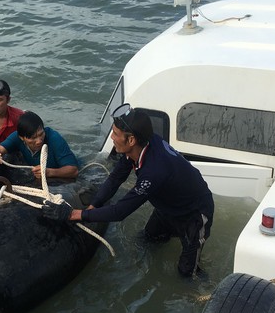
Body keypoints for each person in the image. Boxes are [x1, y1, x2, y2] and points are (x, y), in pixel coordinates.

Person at [42, 103, 214, 277]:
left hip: (193, 213)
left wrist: (74, 214)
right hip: (167, 205)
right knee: (148, 239)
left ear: (131, 140)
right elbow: (116, 178)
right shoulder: (140, 146)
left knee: (186, 272)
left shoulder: (153, 172)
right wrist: (94, 205)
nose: (111, 137)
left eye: (115, 134)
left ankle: (203, 289)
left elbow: (120, 212)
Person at [0, 111, 79, 180]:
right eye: (32, 138)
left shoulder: (54, 138)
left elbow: (73, 170)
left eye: (41, 134)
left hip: (60, 175)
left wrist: (49, 172)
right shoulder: (16, 137)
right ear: (22, 137)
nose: (39, 141)